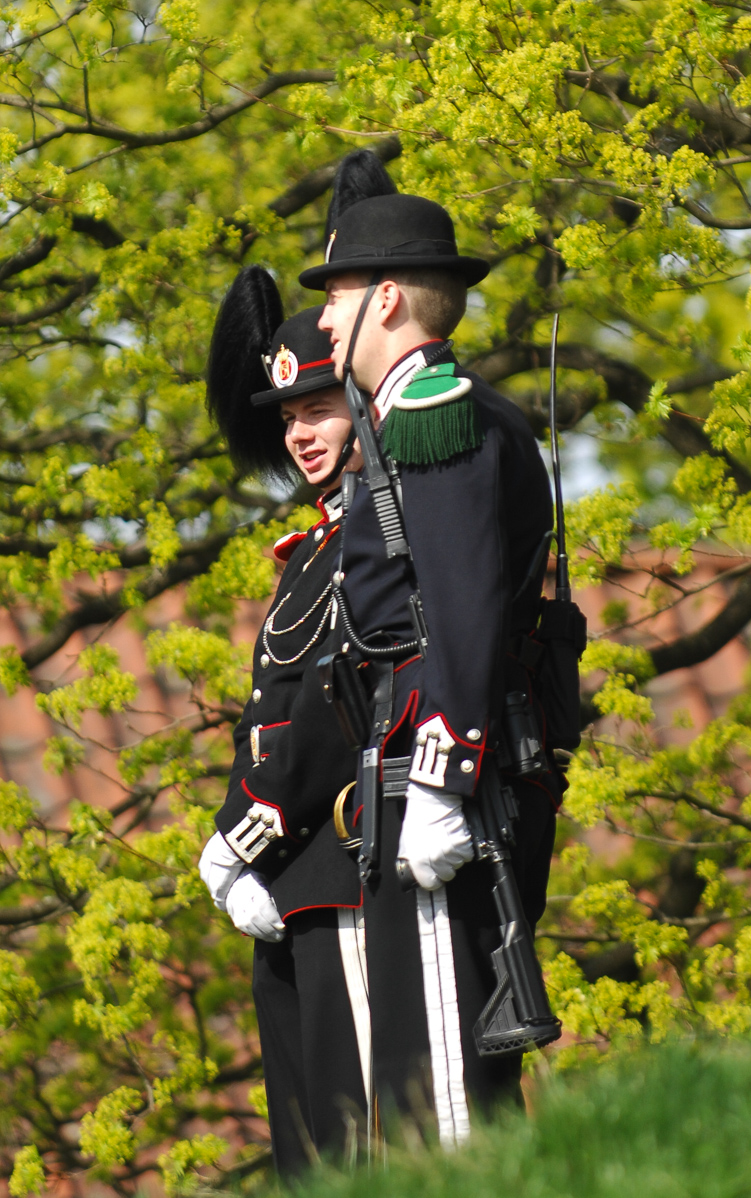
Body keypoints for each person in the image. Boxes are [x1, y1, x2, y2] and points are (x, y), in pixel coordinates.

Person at [297, 187, 564, 1147]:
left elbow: (460, 606)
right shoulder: (401, 416)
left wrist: (445, 777)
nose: (325, 313)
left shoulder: (432, 412)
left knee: (446, 1090)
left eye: (338, 290)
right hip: (411, 768)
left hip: (441, 776)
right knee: (419, 1074)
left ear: (389, 301)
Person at [194, 158, 399, 1176]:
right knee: (308, 1162)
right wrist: (237, 841)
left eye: (318, 408)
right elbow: (264, 713)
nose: (303, 434)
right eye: (287, 418)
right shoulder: (312, 547)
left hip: (349, 860)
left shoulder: (380, 521)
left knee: (362, 1147)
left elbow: (327, 705)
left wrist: (241, 833)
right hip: (293, 878)